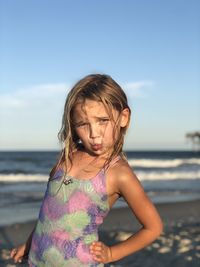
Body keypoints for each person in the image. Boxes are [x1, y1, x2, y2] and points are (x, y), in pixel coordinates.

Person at [10, 74, 163, 266]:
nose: (94, 134)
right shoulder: (65, 160)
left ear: (123, 117)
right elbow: (49, 216)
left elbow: (153, 227)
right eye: (83, 124)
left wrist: (112, 253)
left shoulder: (118, 173)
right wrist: (29, 243)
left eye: (103, 121)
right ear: (73, 126)